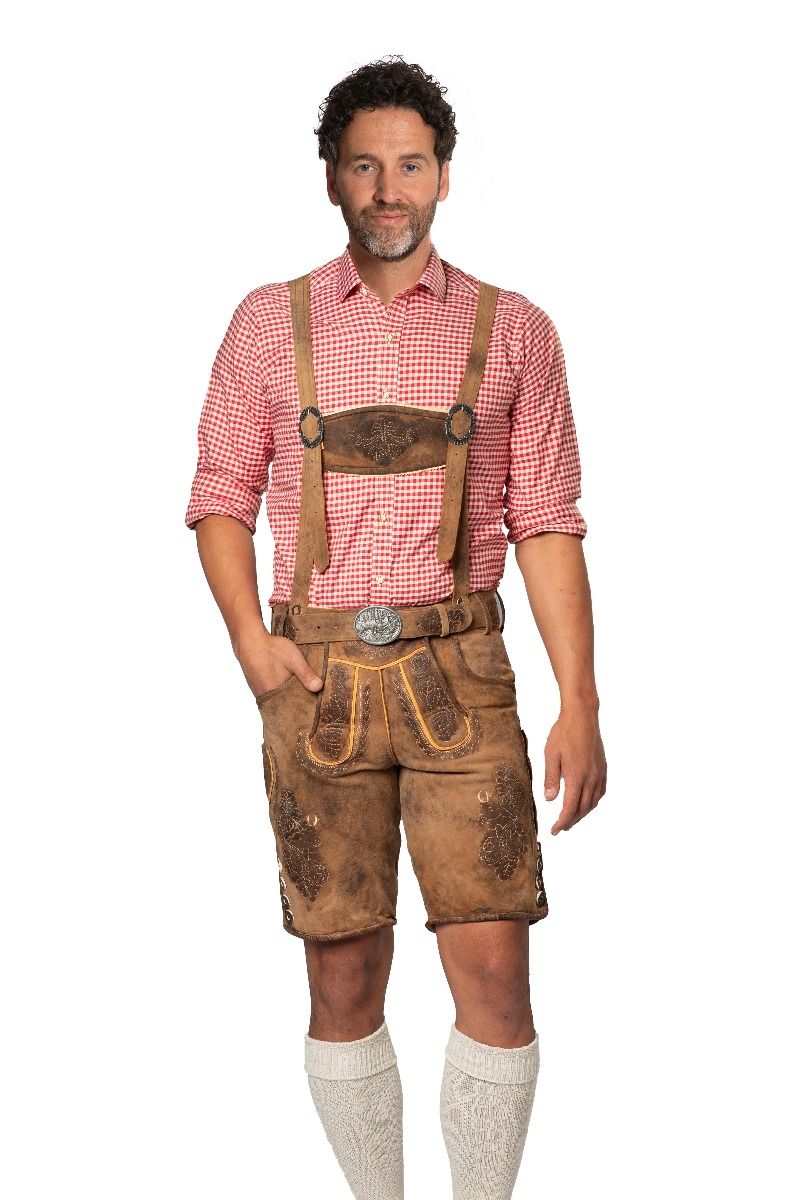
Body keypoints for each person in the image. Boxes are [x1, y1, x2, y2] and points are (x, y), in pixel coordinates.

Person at [185, 54, 606, 1200]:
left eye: (409, 165)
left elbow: (545, 519)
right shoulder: (266, 325)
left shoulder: (513, 330)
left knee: (496, 974)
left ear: (443, 177)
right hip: (313, 678)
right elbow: (219, 495)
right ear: (331, 177)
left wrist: (579, 700)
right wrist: (250, 642)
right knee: (340, 976)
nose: (387, 190)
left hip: (461, 672)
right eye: (364, 166)